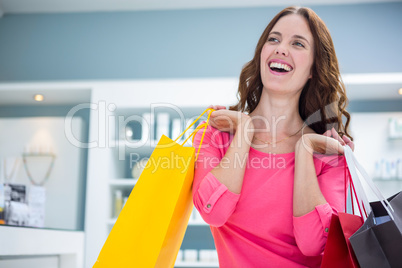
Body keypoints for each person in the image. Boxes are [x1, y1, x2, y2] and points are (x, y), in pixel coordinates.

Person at [192, 6, 355, 268]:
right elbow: (214, 212)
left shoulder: (328, 154)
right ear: (262, 54)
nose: (281, 48)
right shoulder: (218, 135)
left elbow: (314, 243)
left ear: (314, 68)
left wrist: (305, 148)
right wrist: (245, 128)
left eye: (298, 43)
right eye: (274, 39)